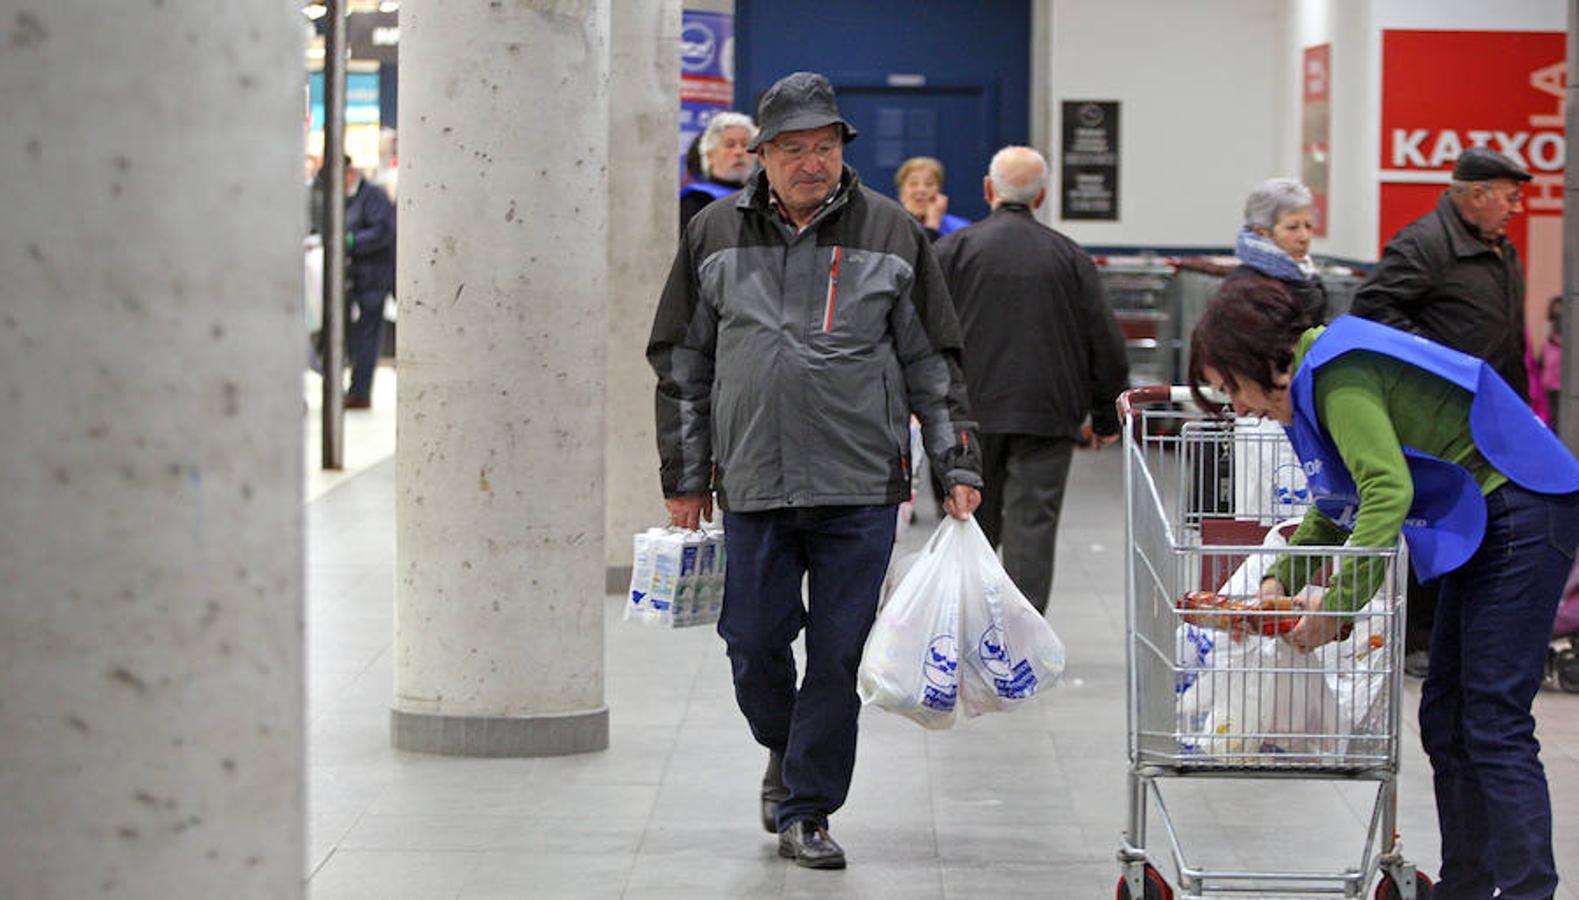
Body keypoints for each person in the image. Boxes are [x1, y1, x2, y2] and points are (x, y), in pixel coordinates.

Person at [647, 71, 983, 871]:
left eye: (824, 147)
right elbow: (683, 362)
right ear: (760, 155)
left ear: (841, 151)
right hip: (753, 478)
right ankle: (784, 742)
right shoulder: (714, 233)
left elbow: (932, 361)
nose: (810, 163)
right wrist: (685, 476)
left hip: (861, 482)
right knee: (751, 640)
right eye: (792, 149)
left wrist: (955, 459)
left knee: (837, 653)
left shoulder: (892, 232)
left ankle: (807, 808)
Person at [1187, 278, 1579, 900]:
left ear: (1266, 359)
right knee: (1447, 716)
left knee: (1492, 717)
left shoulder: (1337, 375)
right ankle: (1467, 885)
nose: (1239, 407)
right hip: (1490, 513)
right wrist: (1276, 580)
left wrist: (1338, 604)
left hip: (1522, 509)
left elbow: (1386, 491)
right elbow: (1335, 501)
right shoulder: (1313, 384)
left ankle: (1530, 889)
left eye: (1234, 386)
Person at [1350, 146, 1533, 678]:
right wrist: (1437, 360)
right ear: (1475, 195)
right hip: (1437, 413)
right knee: (1435, 518)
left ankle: (1454, 633)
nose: (1516, 207)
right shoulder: (1424, 244)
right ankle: (1417, 637)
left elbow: (1507, 337)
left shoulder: (1501, 249)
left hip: (1490, 413)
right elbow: (1373, 309)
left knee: (1481, 518)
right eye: (1510, 196)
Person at [934, 146, 1128, 613]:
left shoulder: (952, 251)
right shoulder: (1070, 257)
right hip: (1047, 414)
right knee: (1032, 531)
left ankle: (963, 630)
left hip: (969, 414)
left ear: (987, 190)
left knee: (970, 523)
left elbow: (924, 332)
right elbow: (1104, 339)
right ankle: (1021, 641)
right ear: (1042, 196)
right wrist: (1106, 416)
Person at [1223, 177, 1327, 326]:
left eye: (1309, 226)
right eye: (1292, 227)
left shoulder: (1308, 279)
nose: (1304, 237)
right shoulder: (1247, 294)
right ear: (1262, 233)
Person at [344, 158, 396, 409]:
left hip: (373, 279)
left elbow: (383, 232)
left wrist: (352, 241)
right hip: (356, 278)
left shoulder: (372, 196)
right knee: (356, 338)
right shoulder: (351, 198)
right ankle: (355, 389)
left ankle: (360, 392)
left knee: (367, 337)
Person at [679, 111, 757, 231]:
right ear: (710, 155)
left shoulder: (764, 199)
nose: (739, 152)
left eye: (745, 144)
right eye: (730, 145)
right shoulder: (696, 200)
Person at [896, 156, 969, 241]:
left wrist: (933, 223)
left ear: (939, 190)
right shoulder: (891, 227)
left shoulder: (960, 229)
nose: (921, 190)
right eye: (913, 184)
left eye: (929, 184)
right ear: (901, 191)